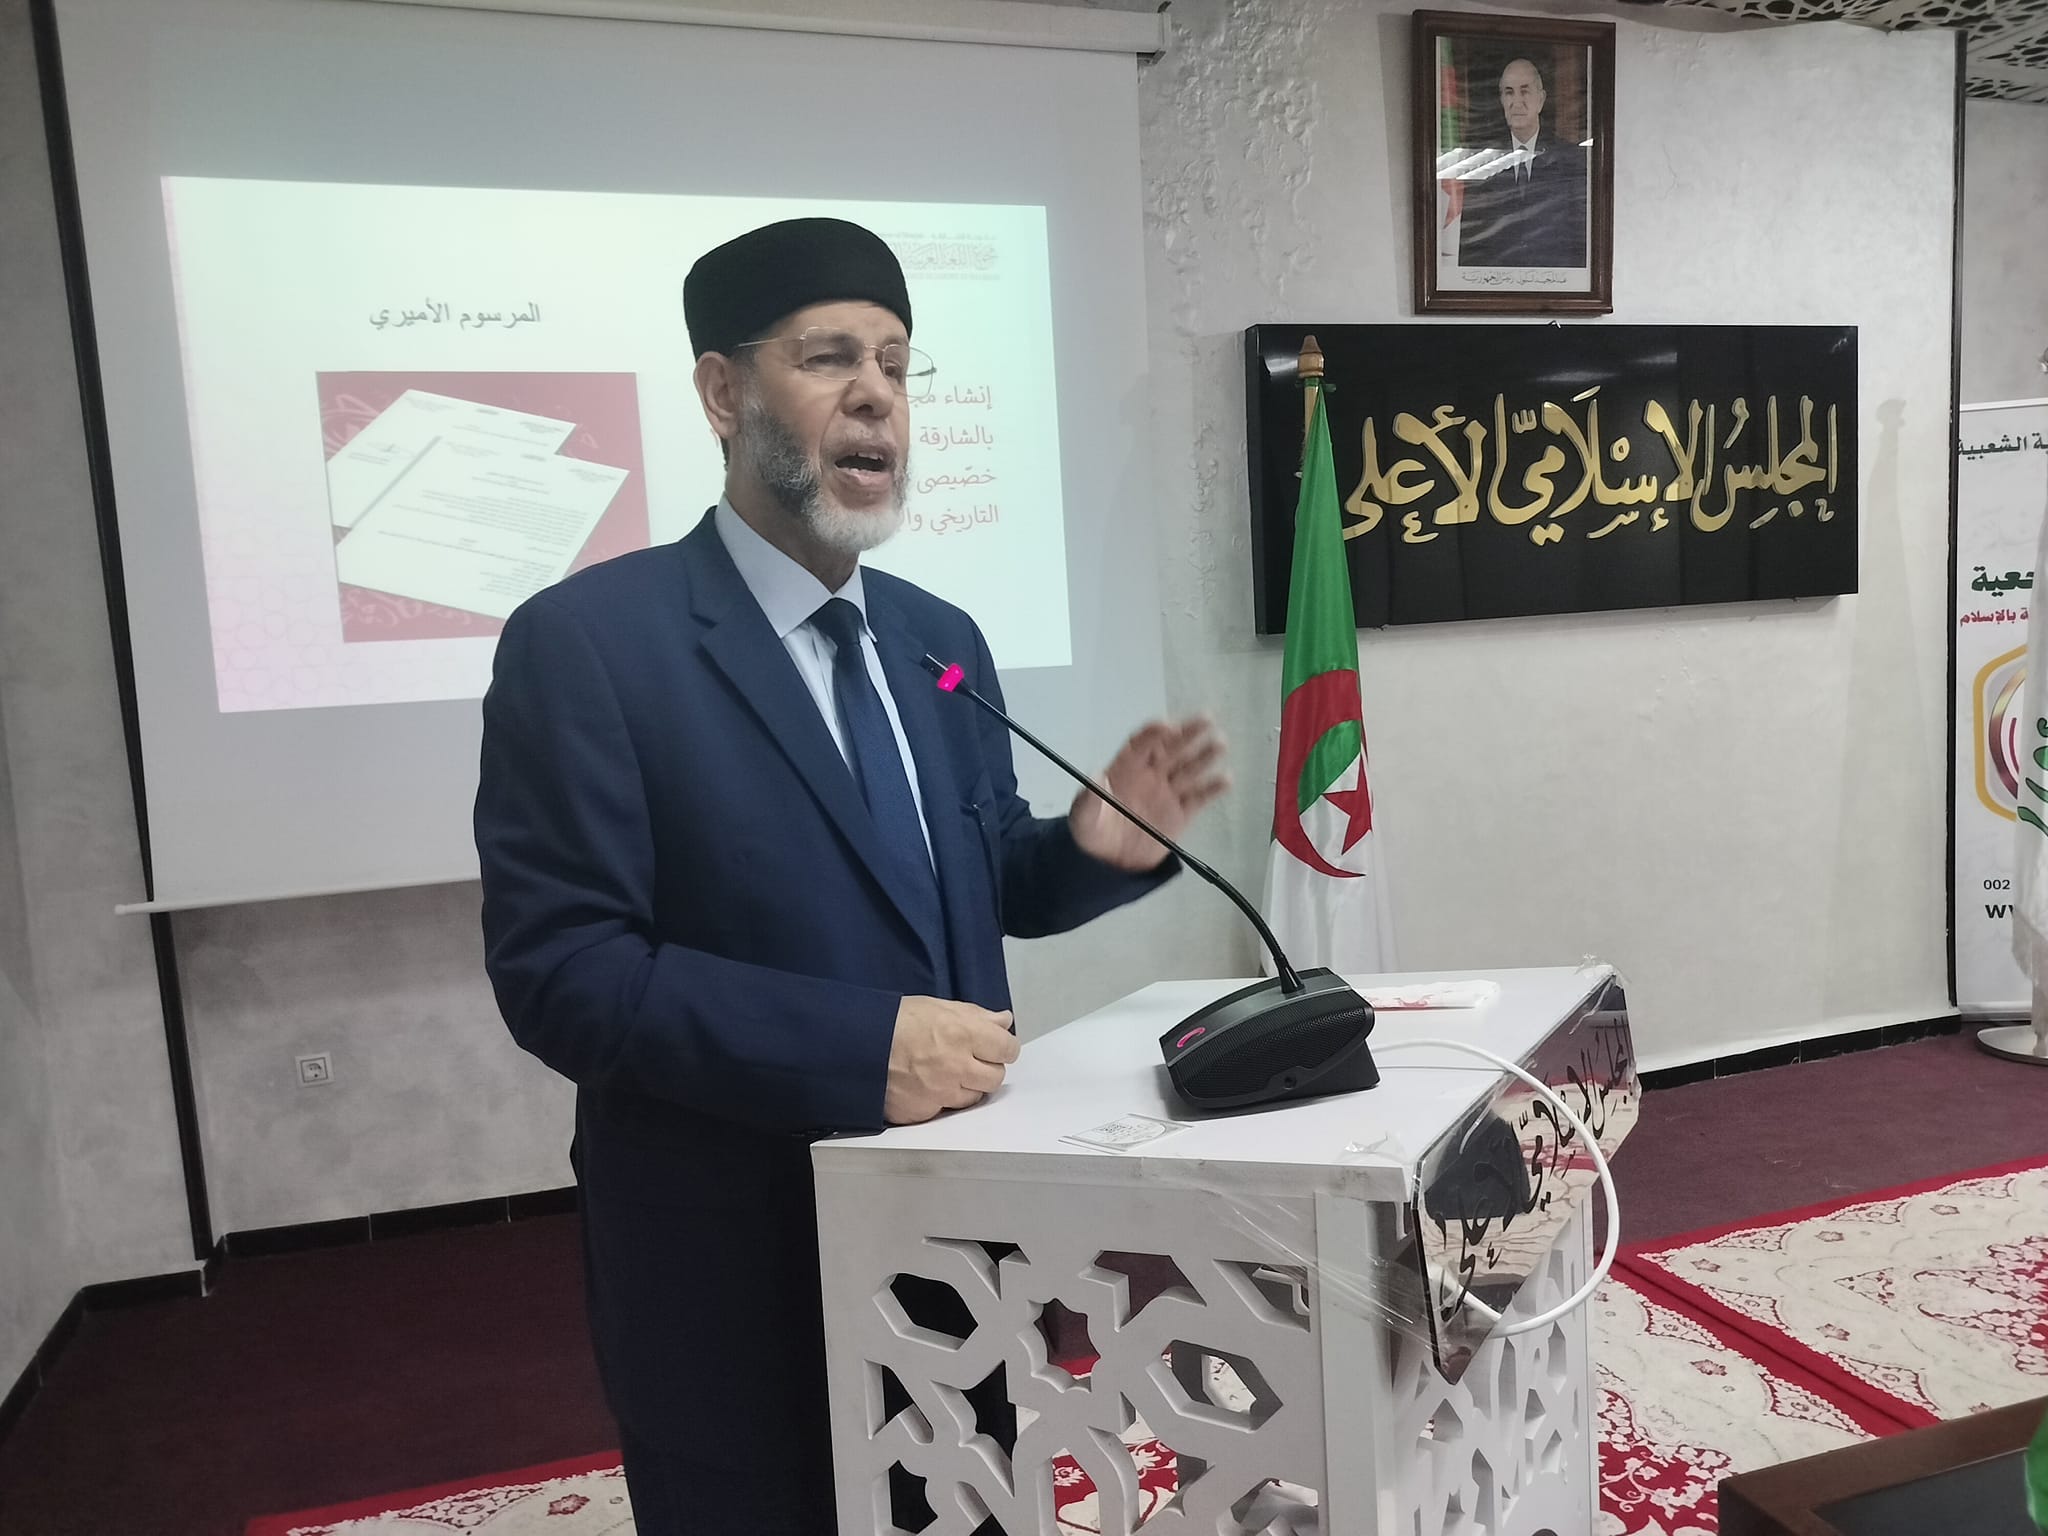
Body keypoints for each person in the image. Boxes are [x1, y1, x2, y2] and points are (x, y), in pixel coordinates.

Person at [474, 216, 1228, 1535]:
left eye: (895, 362)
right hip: (733, 1265)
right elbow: (566, 976)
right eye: (829, 358)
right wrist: (861, 1048)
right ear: (723, 392)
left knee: (968, 1507)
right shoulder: (589, 644)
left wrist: (1091, 851)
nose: (876, 393)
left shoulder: (937, 640)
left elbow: (973, 881)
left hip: (961, 1254)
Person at [1455, 56, 1589, 270]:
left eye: (1524, 91)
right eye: (1509, 92)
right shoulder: (1482, 163)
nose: (1516, 102)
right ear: (1501, 100)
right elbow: (1470, 247)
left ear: (1541, 99)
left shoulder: (1572, 160)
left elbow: (1582, 245)